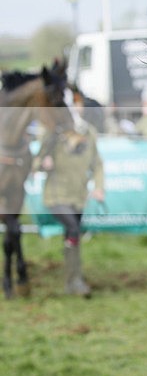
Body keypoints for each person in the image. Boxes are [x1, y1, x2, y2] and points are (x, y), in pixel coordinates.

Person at [34, 113, 104, 297]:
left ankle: (71, 279)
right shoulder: (53, 134)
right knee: (73, 228)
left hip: (78, 197)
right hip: (56, 196)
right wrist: (43, 163)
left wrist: (98, 187)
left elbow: (97, 163)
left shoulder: (88, 132)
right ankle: (75, 281)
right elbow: (36, 162)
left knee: (72, 235)